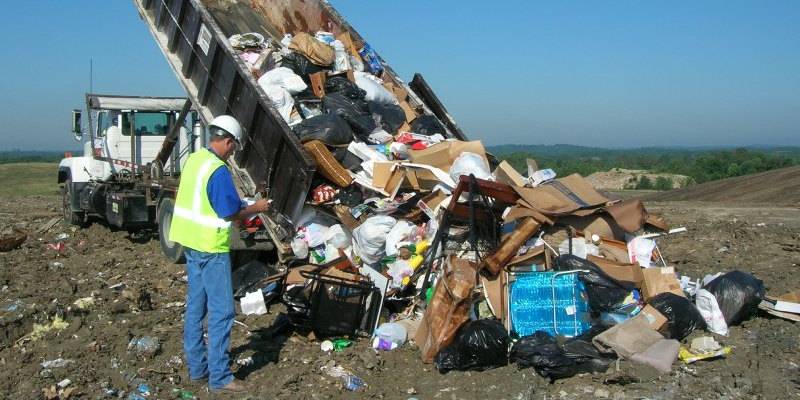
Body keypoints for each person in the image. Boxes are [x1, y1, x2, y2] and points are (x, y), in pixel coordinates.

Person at [169, 115, 270, 393]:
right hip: (211, 249)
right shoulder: (219, 170)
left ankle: (198, 370)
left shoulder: (195, 160)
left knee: (195, 308)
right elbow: (228, 211)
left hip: (191, 245)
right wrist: (257, 207)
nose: (234, 151)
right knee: (222, 312)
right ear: (227, 141)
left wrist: (240, 206)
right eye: (234, 146)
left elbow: (205, 200)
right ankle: (221, 377)